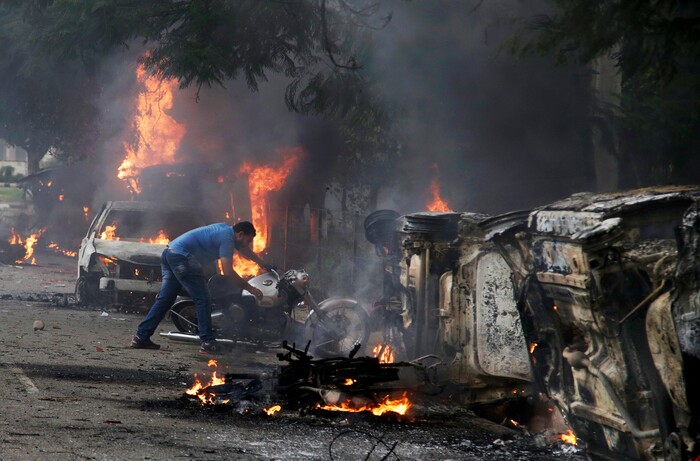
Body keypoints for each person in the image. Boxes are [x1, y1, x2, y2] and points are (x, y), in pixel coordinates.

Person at [130, 221, 269, 354]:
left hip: (169, 253)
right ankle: (208, 342)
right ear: (240, 234)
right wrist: (251, 289)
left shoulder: (225, 230)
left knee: (165, 299)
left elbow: (244, 250)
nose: (248, 244)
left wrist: (262, 263)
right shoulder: (227, 239)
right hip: (183, 258)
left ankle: (141, 337)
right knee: (203, 299)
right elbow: (228, 272)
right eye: (248, 240)